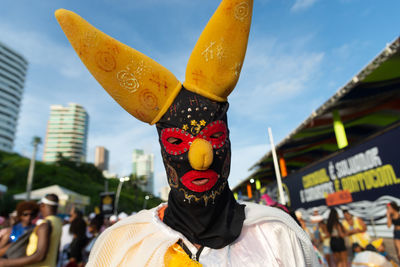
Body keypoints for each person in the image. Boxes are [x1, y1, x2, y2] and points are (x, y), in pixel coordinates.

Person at [54, 1, 320, 266]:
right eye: (176, 141)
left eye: (214, 136)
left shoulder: (277, 234)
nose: (199, 157)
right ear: (162, 148)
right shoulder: (123, 244)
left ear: (227, 141)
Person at [0, 194, 62, 267]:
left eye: (32, 214)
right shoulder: (57, 223)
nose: (29, 217)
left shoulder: (44, 225)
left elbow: (40, 256)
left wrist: (5, 263)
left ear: (42, 205)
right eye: (25, 214)